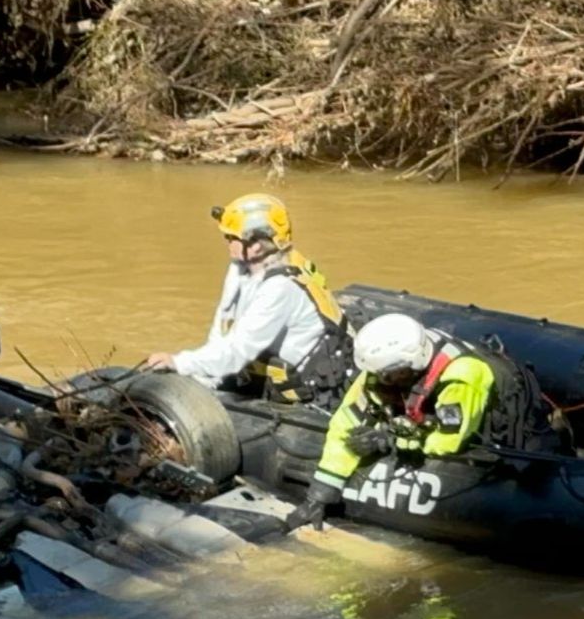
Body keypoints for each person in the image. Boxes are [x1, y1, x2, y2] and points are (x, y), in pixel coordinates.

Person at [285, 312, 504, 530]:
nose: (385, 381)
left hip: (490, 428)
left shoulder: (462, 375)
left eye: (391, 375)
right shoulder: (378, 372)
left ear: (413, 363)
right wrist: (319, 496)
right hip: (424, 420)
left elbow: (450, 441)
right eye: (382, 375)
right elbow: (344, 425)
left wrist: (391, 440)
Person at [140, 193, 353, 406]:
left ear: (257, 244)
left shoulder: (281, 287)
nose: (228, 243)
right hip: (270, 368)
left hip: (312, 385)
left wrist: (178, 363)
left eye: (232, 238)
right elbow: (224, 327)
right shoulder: (241, 267)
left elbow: (240, 349)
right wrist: (204, 376)